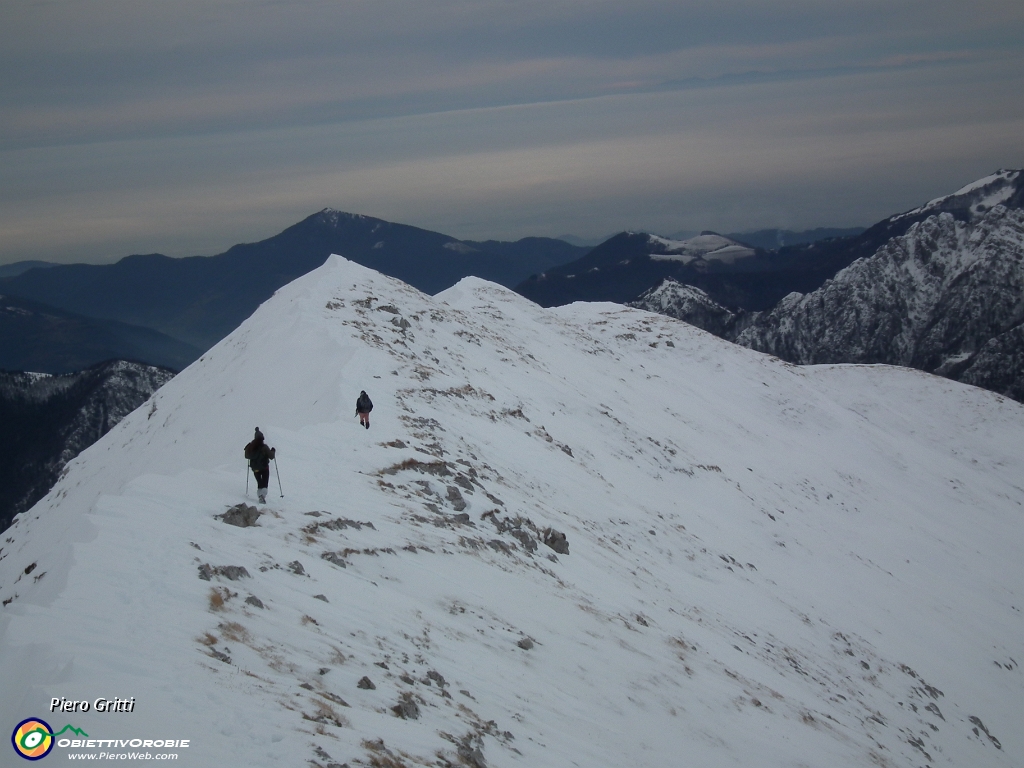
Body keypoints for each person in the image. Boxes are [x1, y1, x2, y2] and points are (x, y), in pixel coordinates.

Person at [244, 427, 276, 503]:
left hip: (255, 468)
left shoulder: (250, 447)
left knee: (259, 483)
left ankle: (260, 496)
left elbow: (246, 456)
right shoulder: (264, 447)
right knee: (265, 483)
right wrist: (273, 451)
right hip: (264, 468)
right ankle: (262, 497)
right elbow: (271, 456)